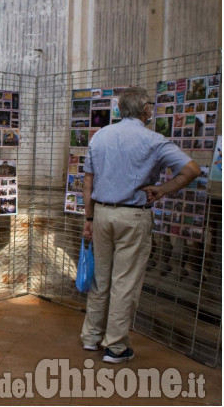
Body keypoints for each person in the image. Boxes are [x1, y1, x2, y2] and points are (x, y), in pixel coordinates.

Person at [80, 87, 200, 364]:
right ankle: (116, 347)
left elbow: (88, 183)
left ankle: (91, 337)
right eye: (151, 107)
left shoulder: (100, 137)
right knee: (125, 282)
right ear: (146, 109)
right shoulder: (154, 140)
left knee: (101, 278)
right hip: (132, 216)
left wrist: (88, 218)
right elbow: (192, 169)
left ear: (121, 109)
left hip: (101, 214)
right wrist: (163, 189)